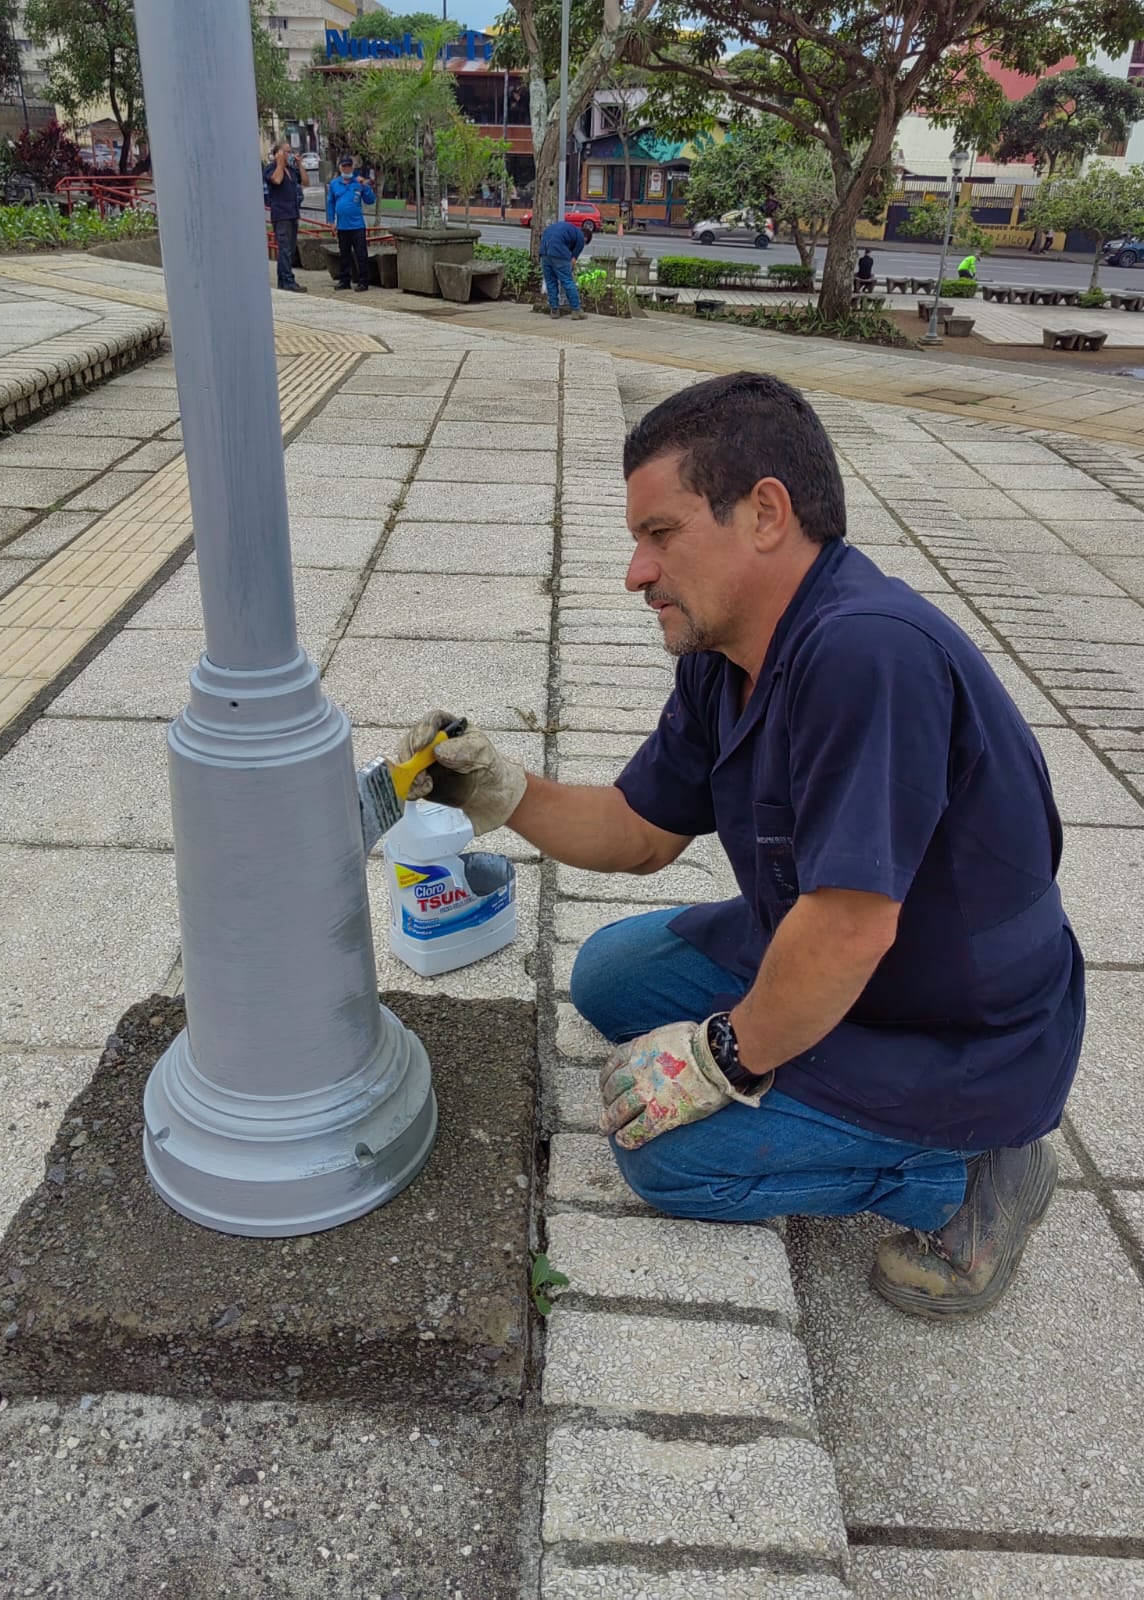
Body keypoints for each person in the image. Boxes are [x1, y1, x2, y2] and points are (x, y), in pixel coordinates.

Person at [395, 371, 1084, 1323]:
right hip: (843, 960)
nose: (636, 572)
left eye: (661, 535)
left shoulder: (865, 654)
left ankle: (968, 1171)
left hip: (950, 1027)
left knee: (664, 1160)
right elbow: (639, 833)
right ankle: (801, 1047)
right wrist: (505, 793)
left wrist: (725, 1057)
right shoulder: (730, 656)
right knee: (608, 975)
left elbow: (847, 932)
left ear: (765, 513)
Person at [326, 156, 376, 293]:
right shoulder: (335, 184)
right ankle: (344, 280)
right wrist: (331, 221)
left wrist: (365, 186)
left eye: (349, 166)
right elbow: (330, 203)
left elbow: (370, 200)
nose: (346, 168)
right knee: (344, 254)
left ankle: (363, 281)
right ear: (340, 167)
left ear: (352, 168)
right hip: (342, 226)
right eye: (344, 166)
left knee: (361, 254)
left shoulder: (358, 183)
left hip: (357, 225)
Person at [263, 140, 307, 294]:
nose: (289, 154)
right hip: (281, 214)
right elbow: (276, 180)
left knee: (291, 248)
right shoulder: (271, 169)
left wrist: (299, 164)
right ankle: (287, 280)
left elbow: (306, 182)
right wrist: (280, 163)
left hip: (293, 213)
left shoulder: (292, 170)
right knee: (284, 249)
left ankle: (284, 280)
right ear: (278, 153)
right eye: (286, 151)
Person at [540, 217, 594, 320]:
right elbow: (573, 260)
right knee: (568, 281)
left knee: (550, 281)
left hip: (544, 252)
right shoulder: (580, 237)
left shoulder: (566, 228)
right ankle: (576, 310)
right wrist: (570, 267)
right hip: (558, 251)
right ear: (586, 238)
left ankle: (554, 310)